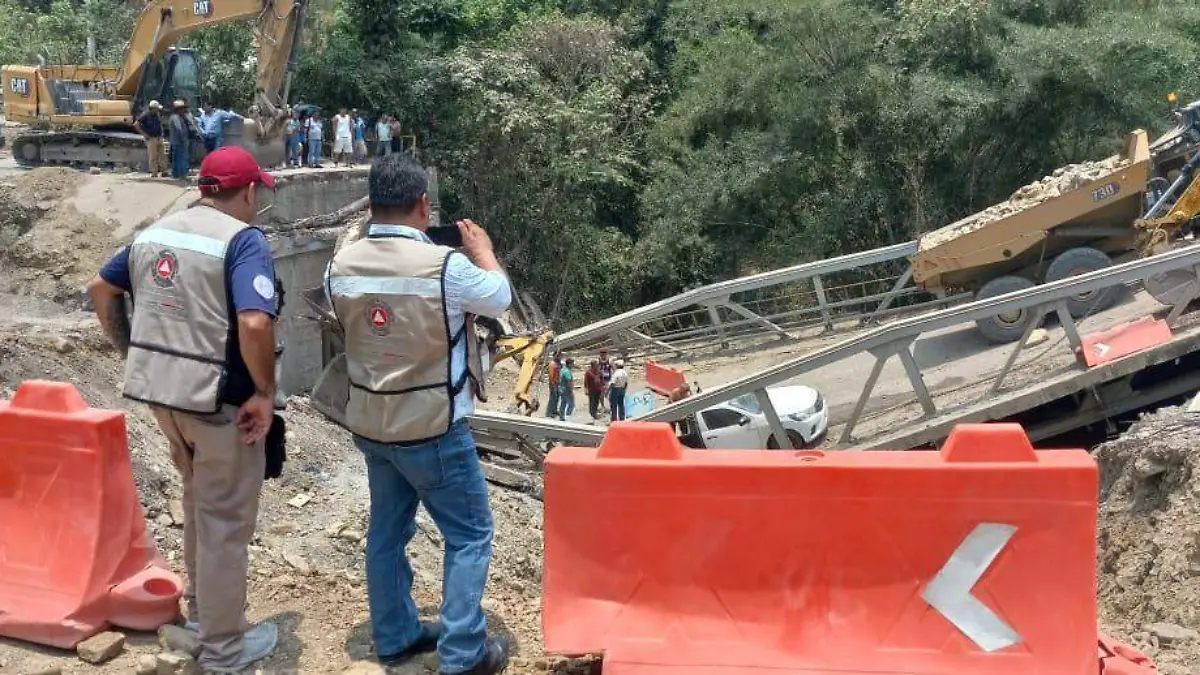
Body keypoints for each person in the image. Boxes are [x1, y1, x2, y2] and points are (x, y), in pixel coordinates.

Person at [85, 146, 281, 673]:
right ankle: (222, 651)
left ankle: (201, 623)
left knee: (198, 508)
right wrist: (264, 392)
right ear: (248, 191)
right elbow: (256, 323)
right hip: (222, 406)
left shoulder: (157, 232)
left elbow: (102, 289)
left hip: (164, 398)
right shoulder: (243, 243)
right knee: (222, 525)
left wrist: (132, 352)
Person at [325, 155, 512, 675]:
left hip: (371, 423)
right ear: (423, 206)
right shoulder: (446, 268)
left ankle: (396, 636)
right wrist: (484, 252)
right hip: (433, 427)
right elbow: (499, 299)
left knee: (386, 532)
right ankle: (462, 654)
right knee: (470, 534)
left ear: (372, 205)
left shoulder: (340, 265)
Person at [135, 100, 167, 178]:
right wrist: (144, 134)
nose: (158, 110)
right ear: (152, 108)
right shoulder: (145, 115)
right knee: (153, 156)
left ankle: (164, 171)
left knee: (162, 155)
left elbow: (160, 124)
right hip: (151, 138)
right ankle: (154, 172)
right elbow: (136, 124)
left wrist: (162, 133)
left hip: (159, 137)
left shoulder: (157, 115)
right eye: (156, 109)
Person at [168, 100, 195, 180]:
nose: (184, 110)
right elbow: (179, 129)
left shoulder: (178, 117)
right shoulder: (176, 117)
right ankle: (182, 174)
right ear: (178, 109)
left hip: (176, 141)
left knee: (176, 158)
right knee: (181, 158)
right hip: (180, 142)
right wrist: (184, 140)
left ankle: (176, 174)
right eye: (182, 108)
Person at [545, 353, 562, 419]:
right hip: (553, 383)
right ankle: (549, 412)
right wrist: (552, 384)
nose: (560, 357)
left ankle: (554, 410)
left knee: (557, 397)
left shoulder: (558, 364)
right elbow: (551, 375)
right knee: (553, 398)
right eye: (559, 356)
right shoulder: (552, 364)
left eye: (560, 356)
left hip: (558, 383)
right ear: (555, 356)